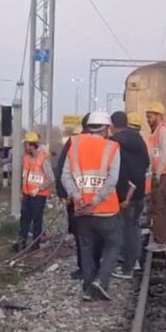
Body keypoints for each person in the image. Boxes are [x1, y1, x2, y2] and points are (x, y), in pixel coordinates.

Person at [61, 112, 122, 301]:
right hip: (106, 210)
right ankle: (101, 281)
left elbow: (65, 176)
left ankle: (87, 289)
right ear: (105, 128)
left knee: (86, 249)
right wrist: (95, 200)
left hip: (82, 211)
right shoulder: (112, 147)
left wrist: (79, 198)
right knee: (114, 244)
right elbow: (112, 180)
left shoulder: (75, 144)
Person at [110, 111, 149, 280]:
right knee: (134, 227)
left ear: (112, 126)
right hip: (139, 191)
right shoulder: (139, 139)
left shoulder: (115, 143)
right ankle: (135, 261)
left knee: (124, 228)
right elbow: (146, 162)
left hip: (125, 193)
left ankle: (127, 267)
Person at [56, 114, 90, 280]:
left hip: (78, 200)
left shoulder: (74, 143)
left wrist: (64, 193)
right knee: (89, 236)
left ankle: (85, 268)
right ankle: (90, 268)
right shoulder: (107, 144)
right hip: (97, 201)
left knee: (81, 236)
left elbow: (61, 169)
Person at [145, 102, 166, 252]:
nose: (148, 119)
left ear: (158, 115)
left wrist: (157, 173)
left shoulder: (163, 130)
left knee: (158, 206)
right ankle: (161, 237)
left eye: (150, 116)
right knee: (157, 204)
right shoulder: (158, 130)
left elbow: (164, 153)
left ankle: (161, 240)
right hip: (163, 171)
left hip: (164, 172)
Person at [13, 132, 54, 252]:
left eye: (26, 145)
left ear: (32, 145)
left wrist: (39, 188)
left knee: (37, 220)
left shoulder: (43, 158)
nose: (24, 147)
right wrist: (22, 192)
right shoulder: (26, 157)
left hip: (39, 195)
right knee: (24, 219)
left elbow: (51, 178)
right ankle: (21, 243)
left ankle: (35, 245)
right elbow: (24, 176)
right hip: (27, 194)